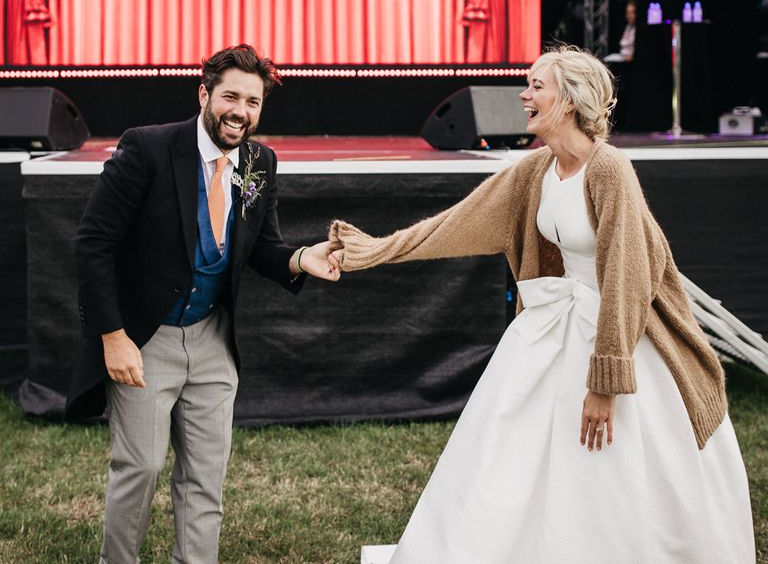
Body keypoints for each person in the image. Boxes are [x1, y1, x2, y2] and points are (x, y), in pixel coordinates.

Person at [329, 46, 754, 562]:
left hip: (617, 334)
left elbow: (628, 277)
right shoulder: (537, 170)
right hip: (552, 327)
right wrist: (373, 251)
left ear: (569, 101)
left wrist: (606, 379)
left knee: (608, 467)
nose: (524, 95)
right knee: (508, 449)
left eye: (535, 85)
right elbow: (456, 224)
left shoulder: (610, 170)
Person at [65, 44, 341, 563]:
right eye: (231, 96)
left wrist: (304, 259)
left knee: (205, 477)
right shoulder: (147, 148)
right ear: (204, 94)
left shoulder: (261, 162)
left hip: (215, 341)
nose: (241, 111)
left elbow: (261, 248)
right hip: (146, 339)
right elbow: (93, 243)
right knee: (141, 468)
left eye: (253, 102)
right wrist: (113, 336)